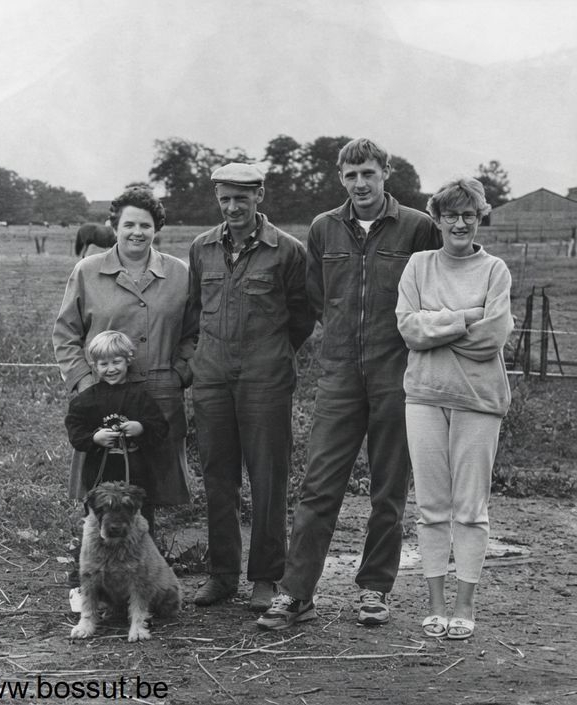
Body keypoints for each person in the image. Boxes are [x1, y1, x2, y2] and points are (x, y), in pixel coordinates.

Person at [258, 138, 442, 631]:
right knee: (319, 485)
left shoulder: (417, 227)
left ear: (386, 173)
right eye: (351, 175)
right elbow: (318, 298)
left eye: (369, 173)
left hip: (396, 372)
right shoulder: (324, 227)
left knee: (389, 488)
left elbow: (431, 292)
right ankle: (297, 594)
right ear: (341, 178)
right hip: (339, 374)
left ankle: (374, 590)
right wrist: (342, 340)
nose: (361, 183)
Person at [186, 163, 314, 611]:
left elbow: (302, 315)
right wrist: (203, 360)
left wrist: (271, 352)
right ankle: (222, 575)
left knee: (267, 478)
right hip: (212, 379)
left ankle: (265, 578)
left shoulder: (288, 250)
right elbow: (193, 310)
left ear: (259, 195)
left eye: (242, 197)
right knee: (218, 477)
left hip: (266, 378)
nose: (233, 207)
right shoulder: (201, 248)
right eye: (225, 198)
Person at [395, 178, 513, 640]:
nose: (459, 223)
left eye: (469, 215)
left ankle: (465, 605)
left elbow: (492, 339)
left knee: (470, 507)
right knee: (431, 506)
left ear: (480, 217)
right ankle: (436, 605)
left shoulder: (495, 270)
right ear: (437, 219)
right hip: (424, 395)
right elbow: (408, 329)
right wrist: (466, 316)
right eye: (450, 215)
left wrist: (436, 326)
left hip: (479, 401)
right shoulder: (419, 265)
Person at [53, 185, 197, 535]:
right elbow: (66, 334)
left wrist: (180, 373)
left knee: (151, 485)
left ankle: (148, 557)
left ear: (156, 229)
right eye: (129, 224)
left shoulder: (179, 273)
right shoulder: (87, 271)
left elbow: (196, 333)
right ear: (113, 227)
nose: (137, 232)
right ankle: (95, 555)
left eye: (145, 225)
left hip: (159, 396)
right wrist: (86, 384)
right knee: (103, 482)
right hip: (103, 397)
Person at [64, 330, 169, 497]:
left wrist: (141, 428)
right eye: (104, 364)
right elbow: (75, 428)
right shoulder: (87, 399)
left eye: (116, 362)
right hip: (98, 471)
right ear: (95, 366)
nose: (111, 369)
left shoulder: (140, 396)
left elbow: (160, 426)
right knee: (101, 507)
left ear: (128, 361)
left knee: (136, 507)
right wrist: (94, 438)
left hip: (137, 472)